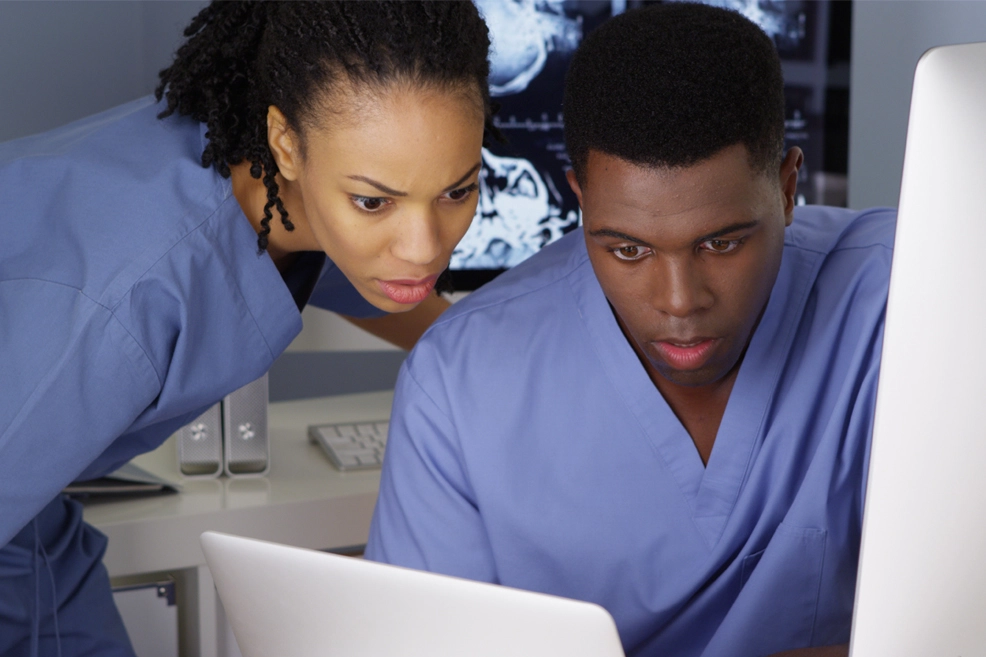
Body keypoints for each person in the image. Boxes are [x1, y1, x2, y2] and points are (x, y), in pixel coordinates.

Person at [365, 4, 893, 657]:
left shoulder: (906, 298)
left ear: (788, 188)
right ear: (579, 199)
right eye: (627, 250)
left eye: (722, 243)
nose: (679, 302)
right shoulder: (458, 384)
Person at [0, 2, 493, 655]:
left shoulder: (293, 188)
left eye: (457, 191)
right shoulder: (129, 299)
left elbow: (428, 322)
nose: (423, 247)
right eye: (374, 201)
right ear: (286, 143)